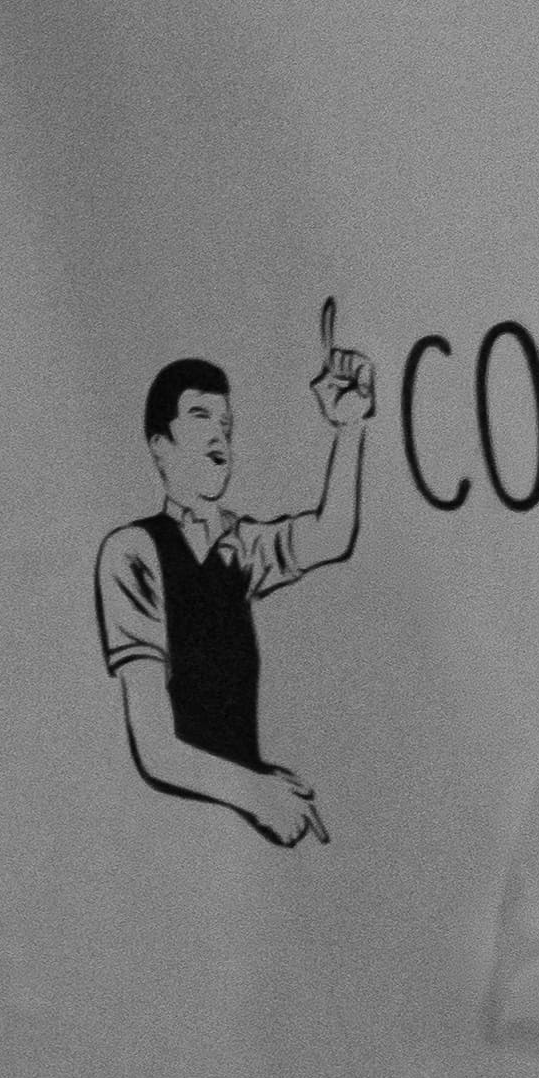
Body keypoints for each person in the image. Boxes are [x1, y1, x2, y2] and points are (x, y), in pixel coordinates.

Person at [100, 323, 374, 846]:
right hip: (170, 829)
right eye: (200, 417)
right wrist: (257, 793)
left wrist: (349, 426)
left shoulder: (238, 544)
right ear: (160, 446)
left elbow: (332, 534)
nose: (219, 435)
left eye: (226, 423)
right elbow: (156, 749)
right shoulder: (133, 552)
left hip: (242, 826)